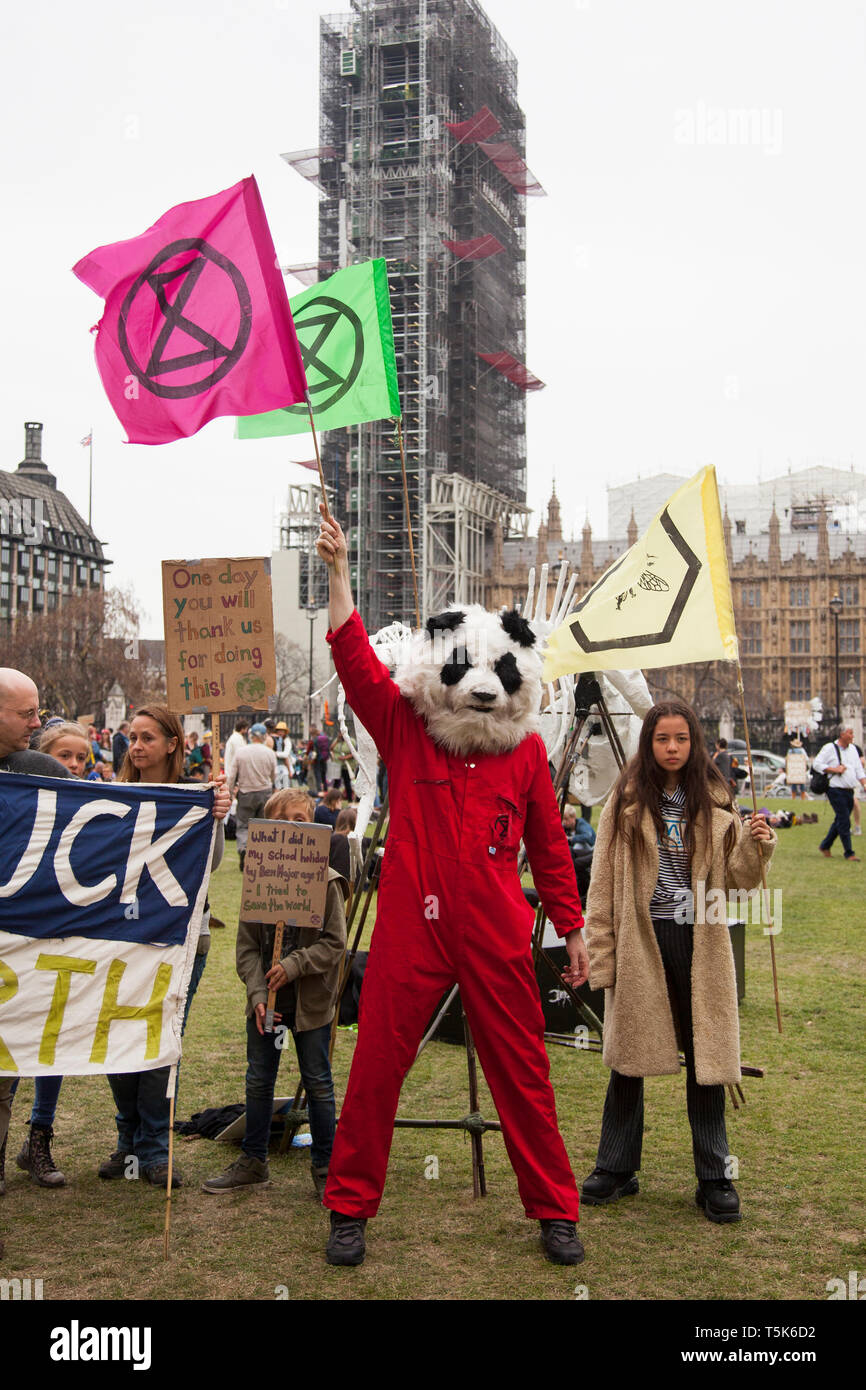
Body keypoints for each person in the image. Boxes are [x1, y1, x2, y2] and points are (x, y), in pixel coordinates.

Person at [316, 509, 588, 1269]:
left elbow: (551, 848)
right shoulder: (406, 727)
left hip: (498, 926)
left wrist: (572, 929)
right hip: (413, 921)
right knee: (376, 1062)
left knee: (524, 1069)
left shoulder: (527, 753)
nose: (481, 688)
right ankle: (348, 1206)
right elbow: (354, 663)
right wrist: (339, 575)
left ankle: (555, 1210)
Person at [578, 700, 775, 1225]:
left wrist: (757, 846)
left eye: (681, 739)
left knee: (708, 1064)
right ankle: (616, 1168)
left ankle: (715, 1176)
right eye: (662, 738)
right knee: (628, 1060)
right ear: (649, 743)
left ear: (695, 744)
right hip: (642, 939)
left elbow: (738, 881)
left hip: (701, 940)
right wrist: (603, 955)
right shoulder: (622, 802)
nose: (671, 747)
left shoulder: (714, 800)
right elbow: (600, 889)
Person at [98, 705, 230, 1190]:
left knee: (159, 1044)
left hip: (181, 942)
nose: (136, 746)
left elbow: (209, 865)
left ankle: (155, 1147)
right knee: (118, 1039)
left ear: (173, 743)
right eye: (132, 737)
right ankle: (127, 1139)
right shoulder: (111, 797)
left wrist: (215, 816)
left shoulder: (195, 796)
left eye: (147, 737)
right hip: (120, 939)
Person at [202, 788, 348, 1200]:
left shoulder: (327, 880)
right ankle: (253, 1161)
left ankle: (325, 1167)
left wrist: (295, 963)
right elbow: (246, 948)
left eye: (301, 820)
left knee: (318, 1082)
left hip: (311, 1006)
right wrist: (256, 992)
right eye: (282, 822)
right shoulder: (258, 880)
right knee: (258, 1081)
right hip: (266, 1002)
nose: (292, 829)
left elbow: (334, 943)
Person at [0, 669, 72, 1198]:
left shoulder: (40, 771)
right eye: (27, 713)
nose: (38, 721)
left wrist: (203, 809)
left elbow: (112, 825)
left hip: (20, 950)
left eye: (38, 709)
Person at [227, 722, 278, 872]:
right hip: (264, 792)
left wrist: (230, 794)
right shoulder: (270, 753)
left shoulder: (241, 752)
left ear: (250, 736)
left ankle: (243, 848)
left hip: (246, 792)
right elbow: (274, 775)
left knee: (243, 825)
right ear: (264, 737)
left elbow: (232, 775)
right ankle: (260, 856)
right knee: (262, 826)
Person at [814, 727, 866, 862]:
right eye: (850, 733)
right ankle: (849, 853)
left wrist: (864, 783)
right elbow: (817, 764)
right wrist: (834, 769)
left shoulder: (853, 749)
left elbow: (859, 769)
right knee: (844, 820)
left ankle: (825, 845)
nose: (852, 735)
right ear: (842, 734)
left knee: (840, 820)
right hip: (835, 789)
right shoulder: (829, 748)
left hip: (849, 789)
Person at [224, 718, 249, 785]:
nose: (246, 731)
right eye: (246, 729)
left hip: (234, 771)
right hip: (234, 772)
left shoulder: (237, 738)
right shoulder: (236, 739)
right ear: (242, 728)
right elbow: (240, 755)